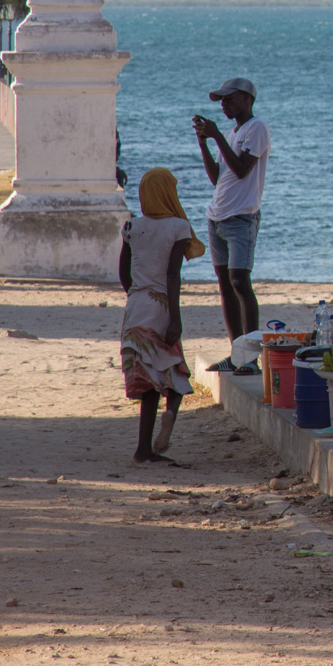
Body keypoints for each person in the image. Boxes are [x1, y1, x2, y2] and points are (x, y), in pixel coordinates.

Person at [120, 168, 204, 464]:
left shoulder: (131, 226)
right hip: (160, 305)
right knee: (175, 370)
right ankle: (170, 414)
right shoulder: (178, 227)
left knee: (146, 379)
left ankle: (143, 449)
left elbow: (124, 272)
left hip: (136, 306)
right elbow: (172, 275)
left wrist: (136, 296)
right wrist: (175, 318)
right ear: (169, 192)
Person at [194, 77, 269, 372]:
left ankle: (250, 356)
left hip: (241, 217)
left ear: (247, 99)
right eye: (221, 101)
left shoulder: (257, 128)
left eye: (229, 99)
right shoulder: (230, 133)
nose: (224, 105)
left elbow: (241, 170)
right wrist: (204, 143)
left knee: (240, 281)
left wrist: (216, 137)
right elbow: (217, 177)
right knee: (226, 286)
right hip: (217, 217)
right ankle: (236, 353)